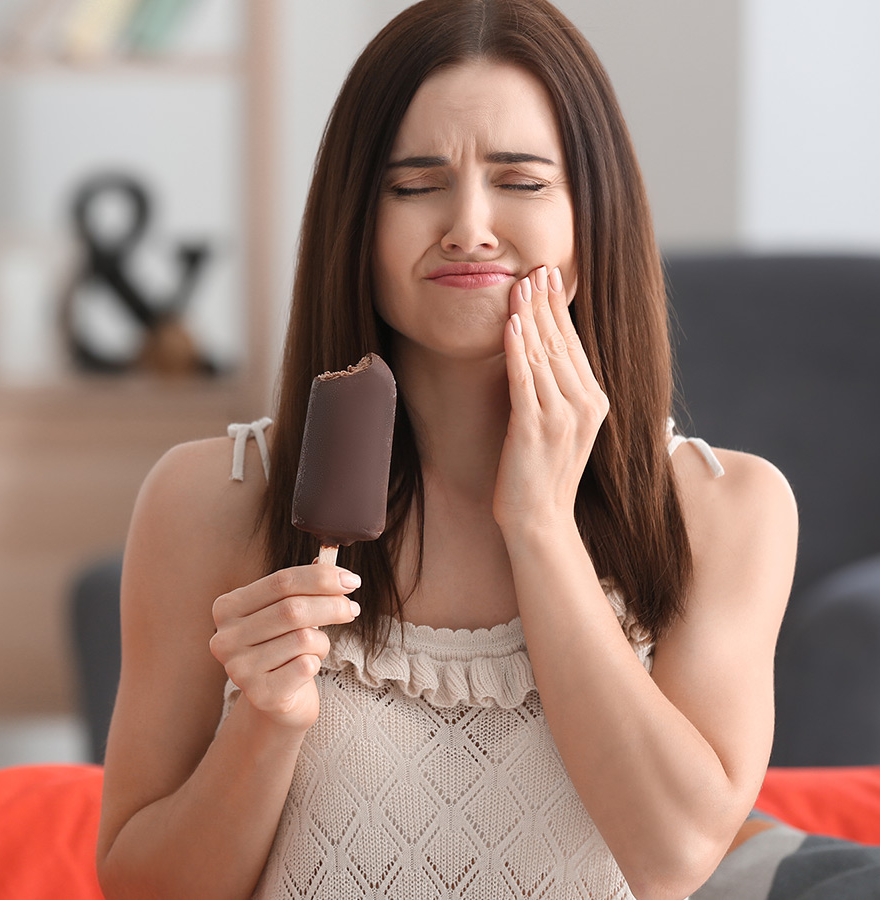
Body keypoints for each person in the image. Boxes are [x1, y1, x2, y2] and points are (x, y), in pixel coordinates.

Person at [95, 1, 798, 897]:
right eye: (415, 185)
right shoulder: (210, 498)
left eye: (522, 181)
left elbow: (672, 856)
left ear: (592, 215)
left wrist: (538, 524)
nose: (468, 225)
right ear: (357, 219)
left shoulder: (727, 508)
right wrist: (264, 724)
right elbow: (143, 887)